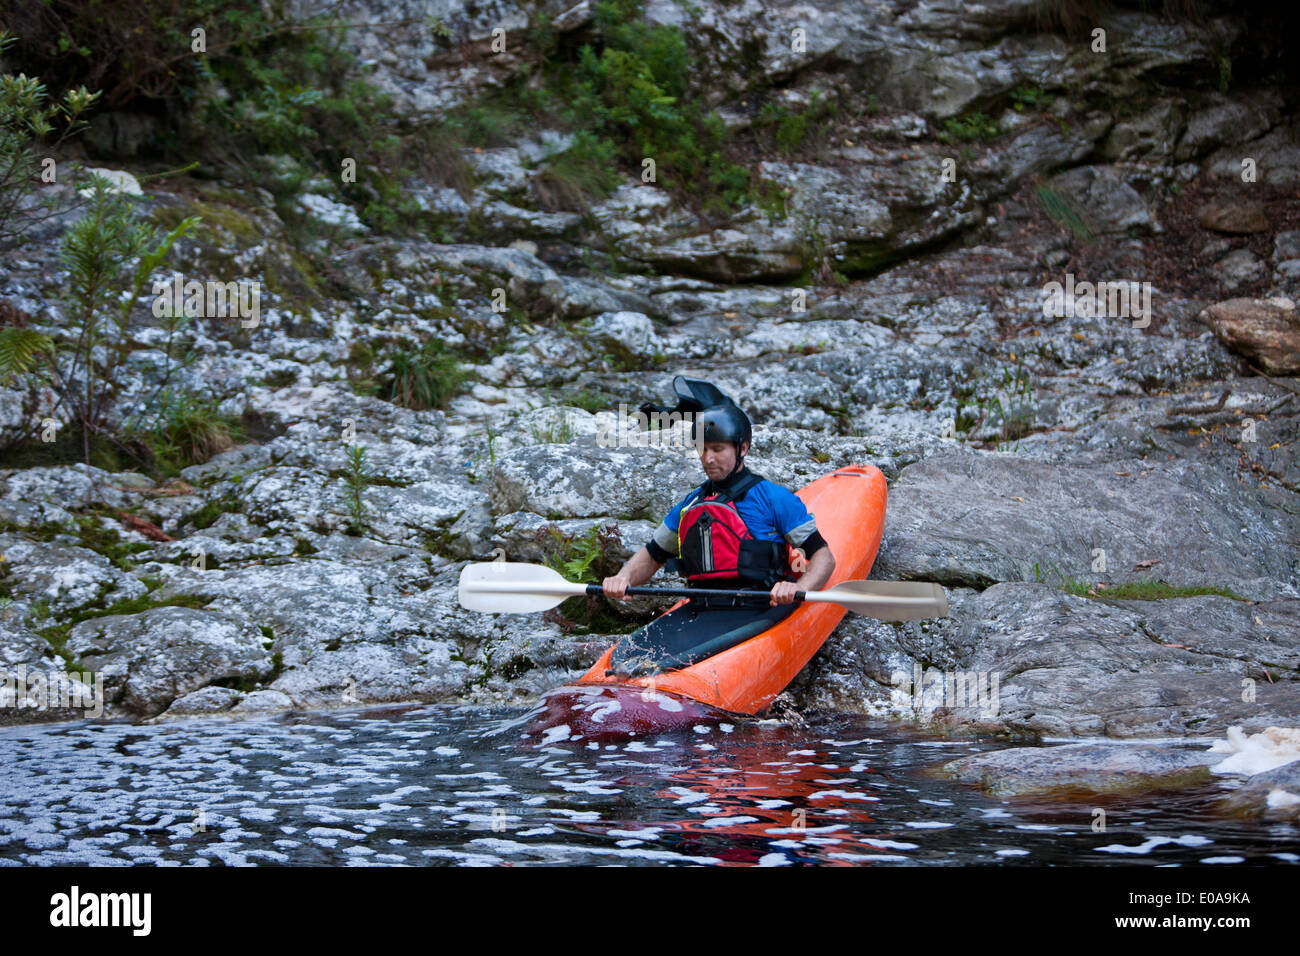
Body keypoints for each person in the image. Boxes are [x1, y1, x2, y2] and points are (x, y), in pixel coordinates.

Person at [602, 400, 835, 607]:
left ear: (742, 448)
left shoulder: (773, 498)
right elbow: (653, 554)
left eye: (717, 449)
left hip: (761, 608)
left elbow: (822, 557)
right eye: (702, 449)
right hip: (702, 609)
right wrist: (623, 578)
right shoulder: (690, 504)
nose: (708, 458)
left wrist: (798, 588)